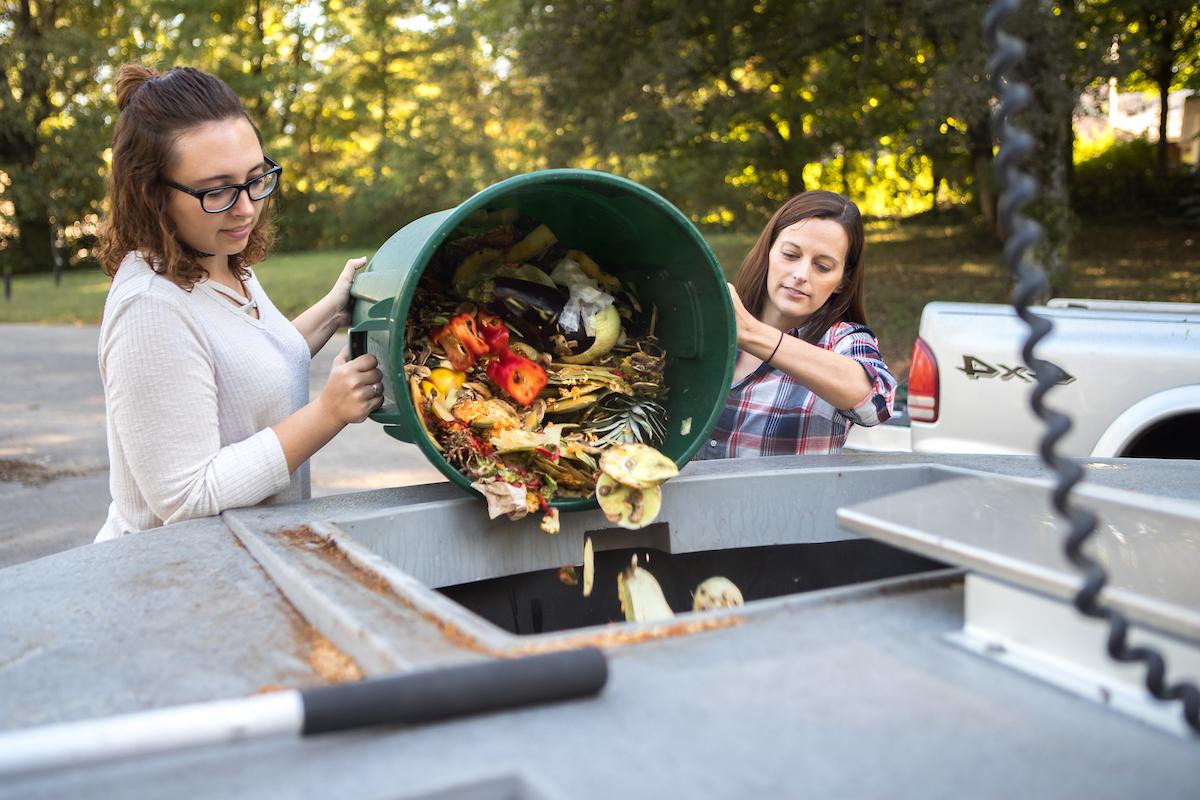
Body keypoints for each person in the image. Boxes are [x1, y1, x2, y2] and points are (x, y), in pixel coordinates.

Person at [93, 64, 384, 541]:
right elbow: (187, 497)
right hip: (174, 584)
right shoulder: (148, 309)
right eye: (218, 190)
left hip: (252, 558)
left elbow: (251, 368)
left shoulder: (220, 259)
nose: (247, 207)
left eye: (255, 178)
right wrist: (328, 413)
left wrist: (335, 308)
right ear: (152, 195)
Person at [697, 190, 896, 459]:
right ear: (768, 252)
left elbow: (876, 403)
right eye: (790, 255)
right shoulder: (709, 328)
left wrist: (752, 334)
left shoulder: (843, 341)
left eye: (823, 267)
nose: (801, 275)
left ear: (842, 281)